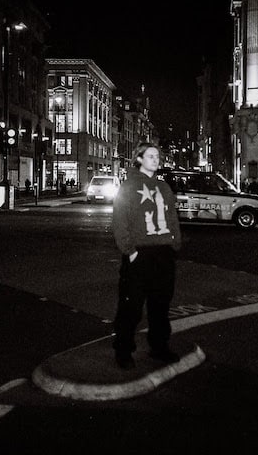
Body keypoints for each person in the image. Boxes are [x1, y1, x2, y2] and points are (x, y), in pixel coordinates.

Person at [112, 141, 182, 370]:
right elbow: (120, 221)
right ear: (139, 159)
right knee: (131, 307)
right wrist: (130, 251)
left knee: (160, 306)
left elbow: (172, 218)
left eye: (157, 156)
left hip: (163, 253)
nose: (156, 159)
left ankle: (159, 347)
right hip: (139, 253)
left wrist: (175, 244)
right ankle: (123, 350)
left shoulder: (164, 187)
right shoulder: (128, 186)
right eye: (150, 156)